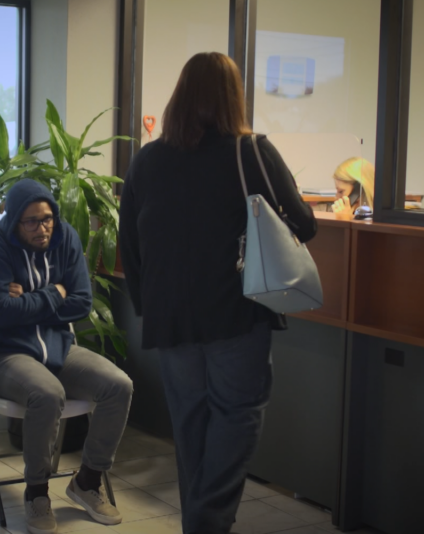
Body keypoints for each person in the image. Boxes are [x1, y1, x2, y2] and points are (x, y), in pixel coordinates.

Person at [118, 52, 317, 534]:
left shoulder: (147, 158)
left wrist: (150, 306)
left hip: (171, 320)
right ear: (233, 96)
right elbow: (304, 224)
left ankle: (199, 523)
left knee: (191, 426)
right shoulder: (250, 151)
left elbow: (130, 242)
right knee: (238, 417)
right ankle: (207, 524)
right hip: (235, 312)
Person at [0, 178, 133, 534]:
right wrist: (53, 293)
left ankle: (87, 481)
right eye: (31, 221)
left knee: (118, 385)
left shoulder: (66, 238)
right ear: (13, 220)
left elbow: (81, 302)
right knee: (47, 394)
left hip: (59, 349)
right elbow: (0, 313)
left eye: (47, 219)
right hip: (3, 356)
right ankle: (37, 493)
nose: (42, 228)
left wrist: (26, 297)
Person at [331, 156, 375, 220]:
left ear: (359, 190)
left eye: (341, 191)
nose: (336, 197)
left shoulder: (373, 218)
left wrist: (345, 220)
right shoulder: (353, 212)